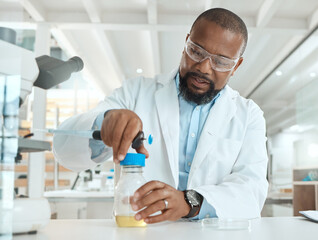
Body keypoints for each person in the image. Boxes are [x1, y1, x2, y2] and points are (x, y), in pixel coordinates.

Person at [53, 8, 268, 224]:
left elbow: (252, 190)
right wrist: (105, 122)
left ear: (236, 65)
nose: (204, 67)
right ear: (186, 43)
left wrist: (190, 202)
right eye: (196, 51)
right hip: (142, 232)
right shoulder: (135, 94)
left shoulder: (248, 115)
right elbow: (63, 149)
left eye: (220, 62)